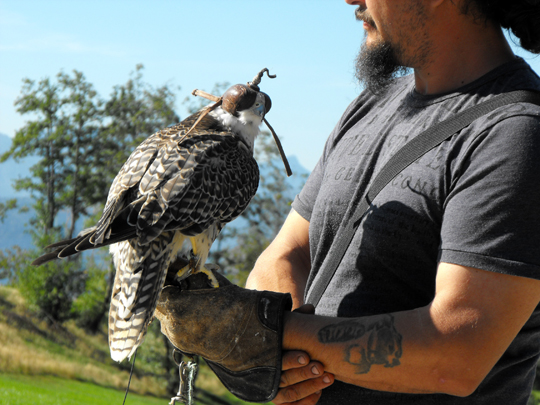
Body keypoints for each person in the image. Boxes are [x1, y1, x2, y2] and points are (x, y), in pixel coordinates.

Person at [156, 0, 540, 404]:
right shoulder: (371, 105)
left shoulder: (515, 135)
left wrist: (264, 330)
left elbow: (458, 352)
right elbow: (287, 252)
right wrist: (287, 362)